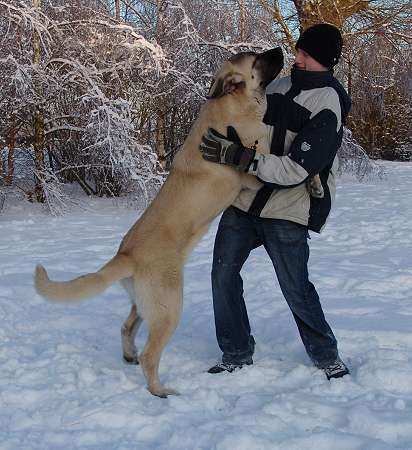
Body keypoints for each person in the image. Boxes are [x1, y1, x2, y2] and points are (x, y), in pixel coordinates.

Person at [199, 23, 351, 380]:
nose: (296, 58)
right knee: (222, 275)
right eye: (298, 51)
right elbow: (247, 126)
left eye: (305, 55)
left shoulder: (329, 104)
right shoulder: (280, 87)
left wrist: (241, 158)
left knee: (296, 288)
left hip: (286, 208)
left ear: (325, 61)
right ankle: (236, 351)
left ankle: (326, 355)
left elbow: (297, 169)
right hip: (246, 200)